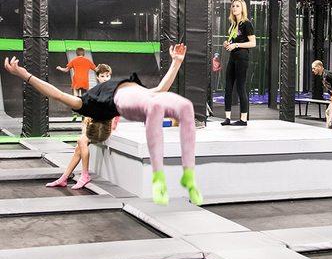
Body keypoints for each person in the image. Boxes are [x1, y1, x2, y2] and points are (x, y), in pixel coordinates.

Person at [4, 44, 201, 206]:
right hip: (123, 94)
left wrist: (176, 63)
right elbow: (54, 93)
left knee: (157, 97)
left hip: (124, 95)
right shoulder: (85, 107)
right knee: (156, 97)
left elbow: (54, 93)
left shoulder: (104, 109)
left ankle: (73, 176)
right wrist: (24, 75)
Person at [46, 64, 117, 189]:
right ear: (97, 77)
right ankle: (64, 178)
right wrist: (85, 129)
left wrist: (113, 125)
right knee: (78, 148)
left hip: (103, 128)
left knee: (81, 141)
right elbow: (87, 114)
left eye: (108, 76)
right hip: (94, 125)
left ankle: (85, 175)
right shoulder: (95, 91)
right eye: (102, 76)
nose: (105, 79)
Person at [221, 0, 256, 127]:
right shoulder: (233, 25)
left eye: (237, 6)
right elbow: (232, 41)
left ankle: (243, 119)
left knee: (241, 87)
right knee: (228, 87)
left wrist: (236, 45)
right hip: (233, 57)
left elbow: (253, 43)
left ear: (242, 9)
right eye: (233, 6)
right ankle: (227, 118)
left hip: (242, 58)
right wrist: (228, 43)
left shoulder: (247, 24)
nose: (234, 8)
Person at [56, 47, 96, 121]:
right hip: (85, 81)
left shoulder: (74, 60)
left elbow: (66, 70)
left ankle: (75, 114)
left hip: (76, 81)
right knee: (84, 99)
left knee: (75, 98)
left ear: (76, 53)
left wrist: (59, 68)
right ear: (84, 53)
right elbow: (96, 69)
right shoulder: (88, 61)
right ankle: (84, 115)